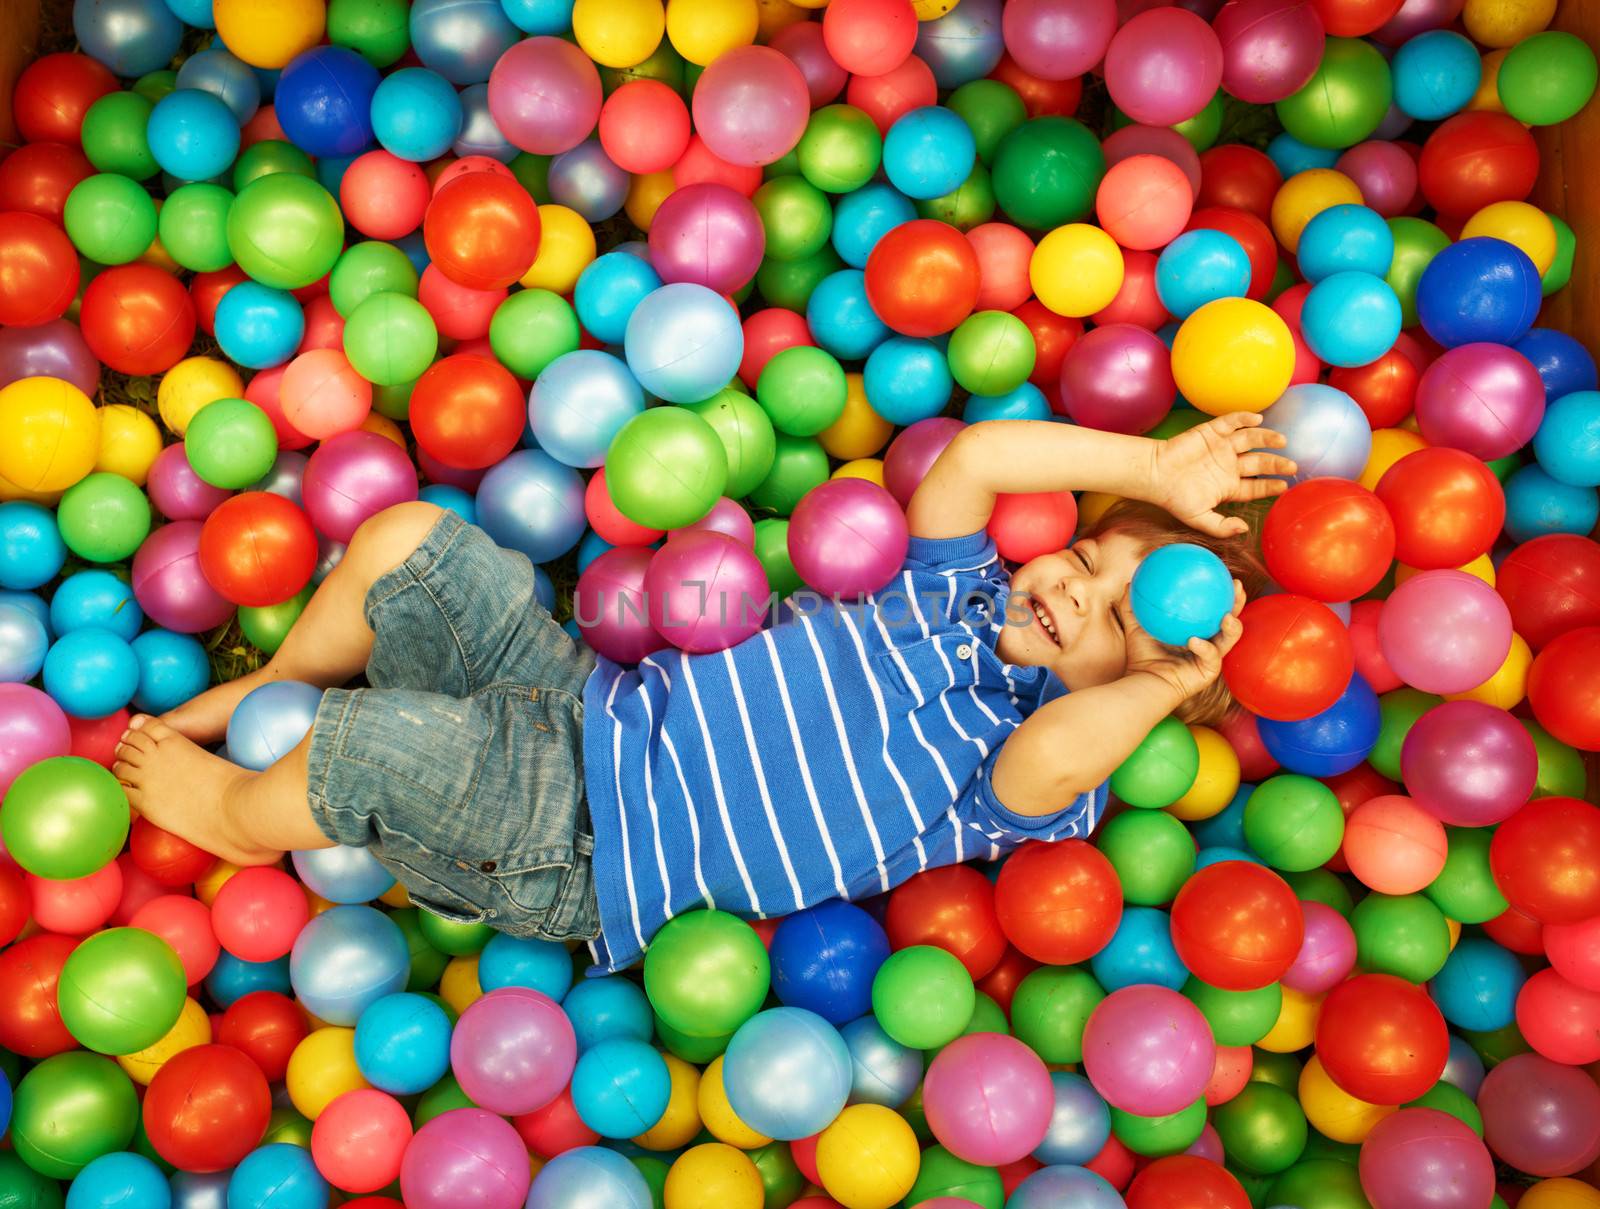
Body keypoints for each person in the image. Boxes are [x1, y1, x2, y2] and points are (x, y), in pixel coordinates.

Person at [112, 412, 1291, 971]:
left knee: (375, 750)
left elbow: (1072, 749)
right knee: (412, 538)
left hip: (579, 843)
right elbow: (976, 463)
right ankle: (269, 679)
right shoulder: (954, 590)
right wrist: (1146, 468)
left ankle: (225, 818)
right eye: (1085, 563)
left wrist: (1154, 680)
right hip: (586, 703)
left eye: (1114, 626)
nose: (1075, 596)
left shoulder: (1023, 769)